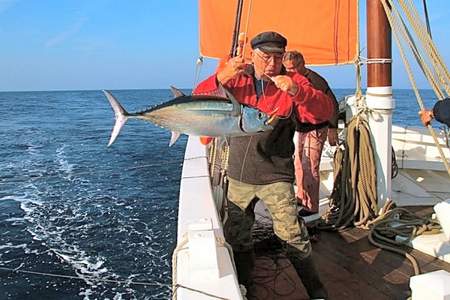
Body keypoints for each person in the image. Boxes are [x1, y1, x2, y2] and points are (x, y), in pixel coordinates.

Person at [193, 31, 334, 299]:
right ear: (253, 55)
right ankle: (245, 286)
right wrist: (222, 77)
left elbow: (323, 111)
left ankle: (316, 291)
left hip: (276, 176)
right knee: (238, 235)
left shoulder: (294, 82)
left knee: (292, 234)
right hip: (238, 175)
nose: (271, 64)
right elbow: (198, 100)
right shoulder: (237, 80)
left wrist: (297, 92)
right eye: (265, 57)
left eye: (277, 57)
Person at [282, 50, 339, 217]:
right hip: (300, 127)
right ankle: (301, 196)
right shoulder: (291, 80)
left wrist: (332, 128)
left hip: (316, 127)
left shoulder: (315, 80)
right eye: (287, 68)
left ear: (302, 64)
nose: (291, 71)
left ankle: (312, 206)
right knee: (299, 163)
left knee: (310, 166)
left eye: (294, 67)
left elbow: (332, 103)